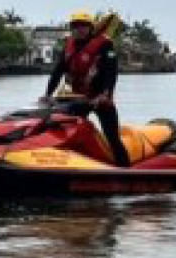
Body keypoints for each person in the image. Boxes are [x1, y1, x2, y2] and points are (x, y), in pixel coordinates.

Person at [43, 11, 130, 167]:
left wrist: (106, 94)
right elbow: (58, 71)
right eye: (75, 26)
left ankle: (126, 171)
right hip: (79, 98)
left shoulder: (105, 44)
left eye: (83, 26)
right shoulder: (69, 45)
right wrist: (47, 94)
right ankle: (68, 164)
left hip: (100, 98)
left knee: (113, 138)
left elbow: (111, 72)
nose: (79, 29)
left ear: (91, 28)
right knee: (66, 131)